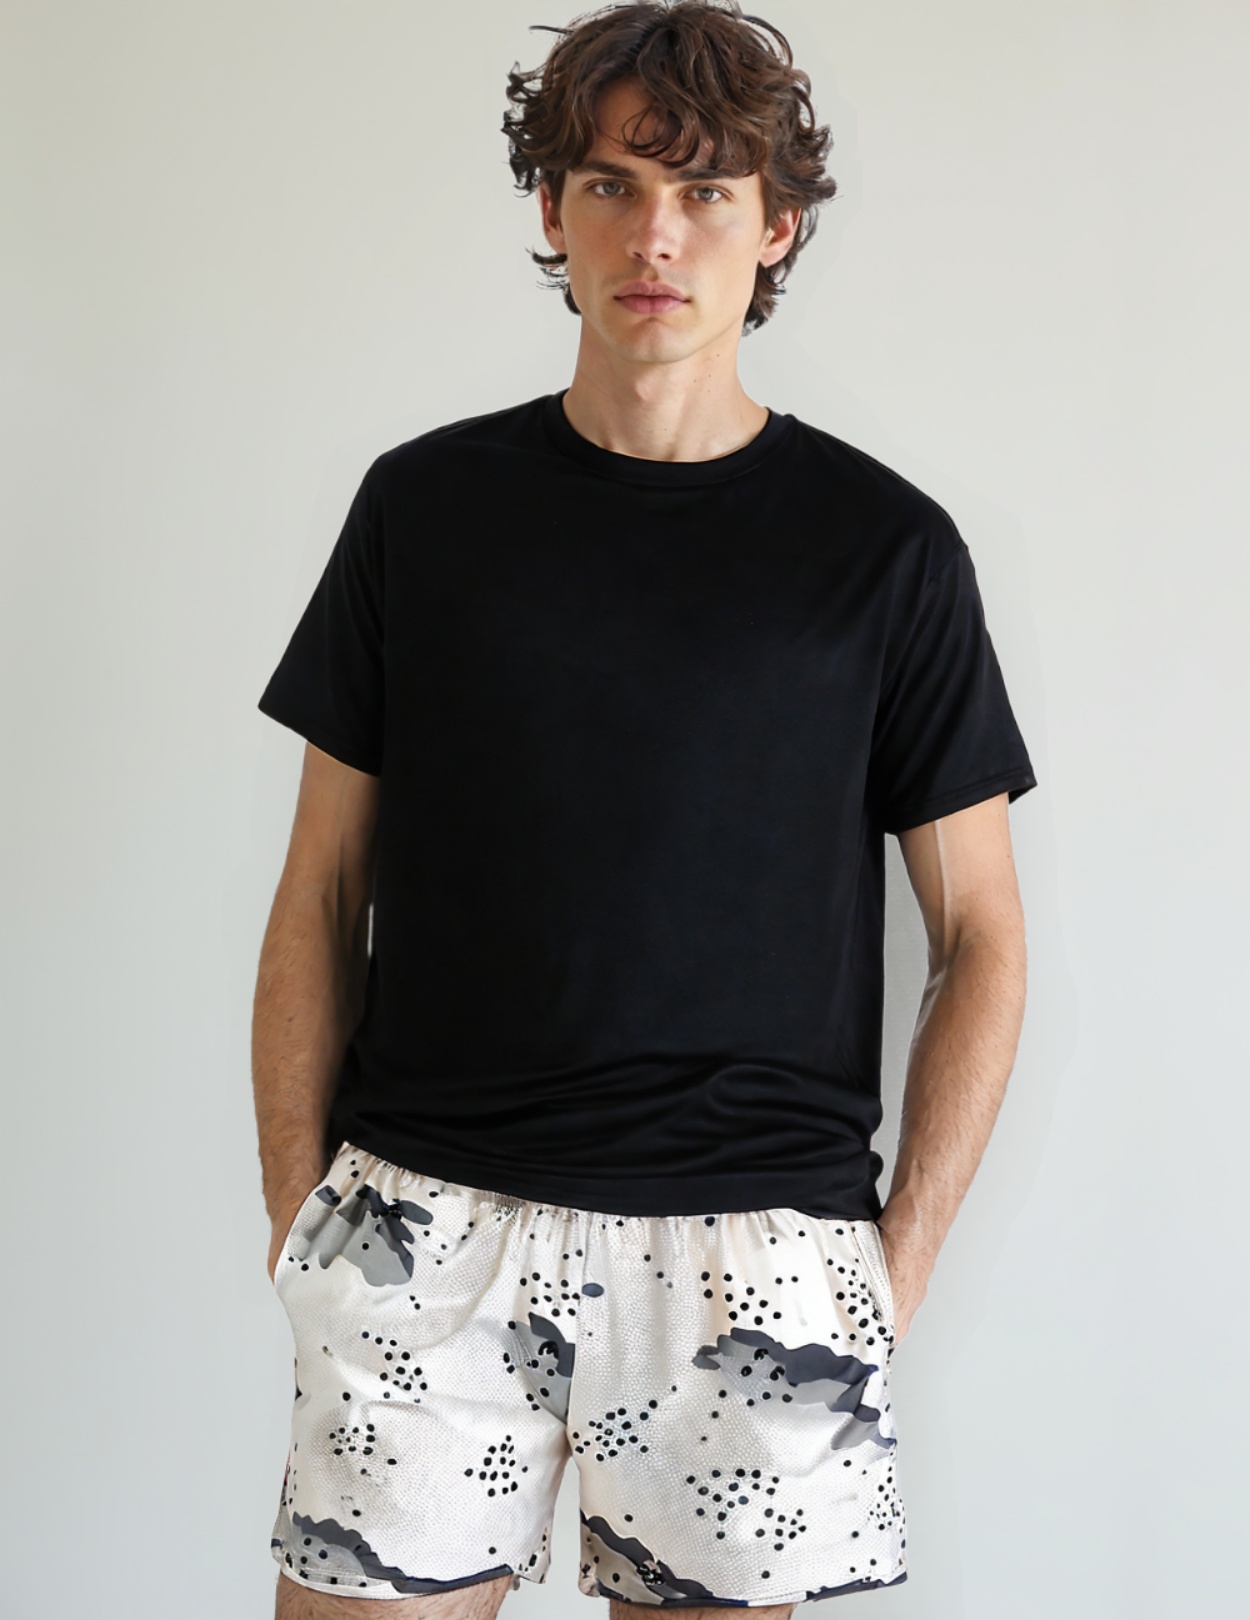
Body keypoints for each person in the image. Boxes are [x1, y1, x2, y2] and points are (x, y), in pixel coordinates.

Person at [252, 3, 1037, 1615]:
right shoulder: (423, 509)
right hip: (430, 1222)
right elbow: (322, 885)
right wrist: (300, 1227)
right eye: (609, 184)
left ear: (776, 224)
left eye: (703, 192)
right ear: (551, 209)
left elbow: (981, 936)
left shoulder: (883, 552)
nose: (654, 236)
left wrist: (885, 1273)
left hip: (754, 1257)